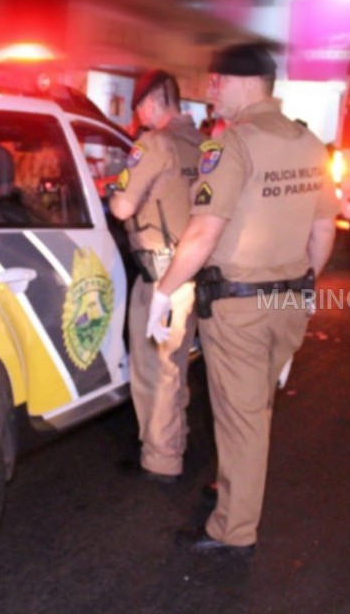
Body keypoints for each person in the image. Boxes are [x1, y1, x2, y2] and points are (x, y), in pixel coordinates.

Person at [147, 43, 338, 556]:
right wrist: (299, 286)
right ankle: (232, 497)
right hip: (288, 306)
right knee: (253, 413)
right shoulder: (310, 143)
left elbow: (204, 231)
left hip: (240, 311)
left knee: (242, 421)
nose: (211, 92)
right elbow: (323, 231)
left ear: (246, 83)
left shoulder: (236, 146)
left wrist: (163, 294)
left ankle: (232, 530)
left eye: (217, 82)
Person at [109, 69, 202, 482]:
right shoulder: (202, 144)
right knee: (176, 366)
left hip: (160, 278)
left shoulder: (154, 144)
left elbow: (122, 209)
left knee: (154, 370)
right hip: (191, 270)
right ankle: (175, 439)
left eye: (140, 107)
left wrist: (114, 189)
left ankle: (161, 459)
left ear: (151, 103)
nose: (140, 116)